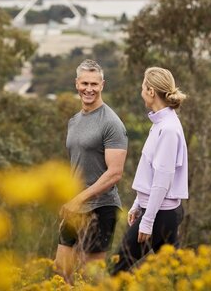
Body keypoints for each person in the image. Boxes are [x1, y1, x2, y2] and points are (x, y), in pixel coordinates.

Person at [55, 59, 128, 283]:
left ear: (102, 85)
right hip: (74, 206)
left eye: (94, 84)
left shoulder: (111, 123)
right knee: (61, 270)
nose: (89, 89)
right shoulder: (74, 121)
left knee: (91, 277)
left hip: (101, 207)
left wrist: (80, 199)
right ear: (76, 84)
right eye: (85, 83)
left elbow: (115, 173)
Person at [111, 66, 188, 275]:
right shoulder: (160, 123)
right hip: (158, 211)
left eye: (143, 87)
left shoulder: (168, 128)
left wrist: (147, 221)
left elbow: (163, 180)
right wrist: (138, 203)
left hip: (161, 214)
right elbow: (151, 173)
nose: (141, 91)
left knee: (117, 270)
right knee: (175, 275)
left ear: (151, 92)